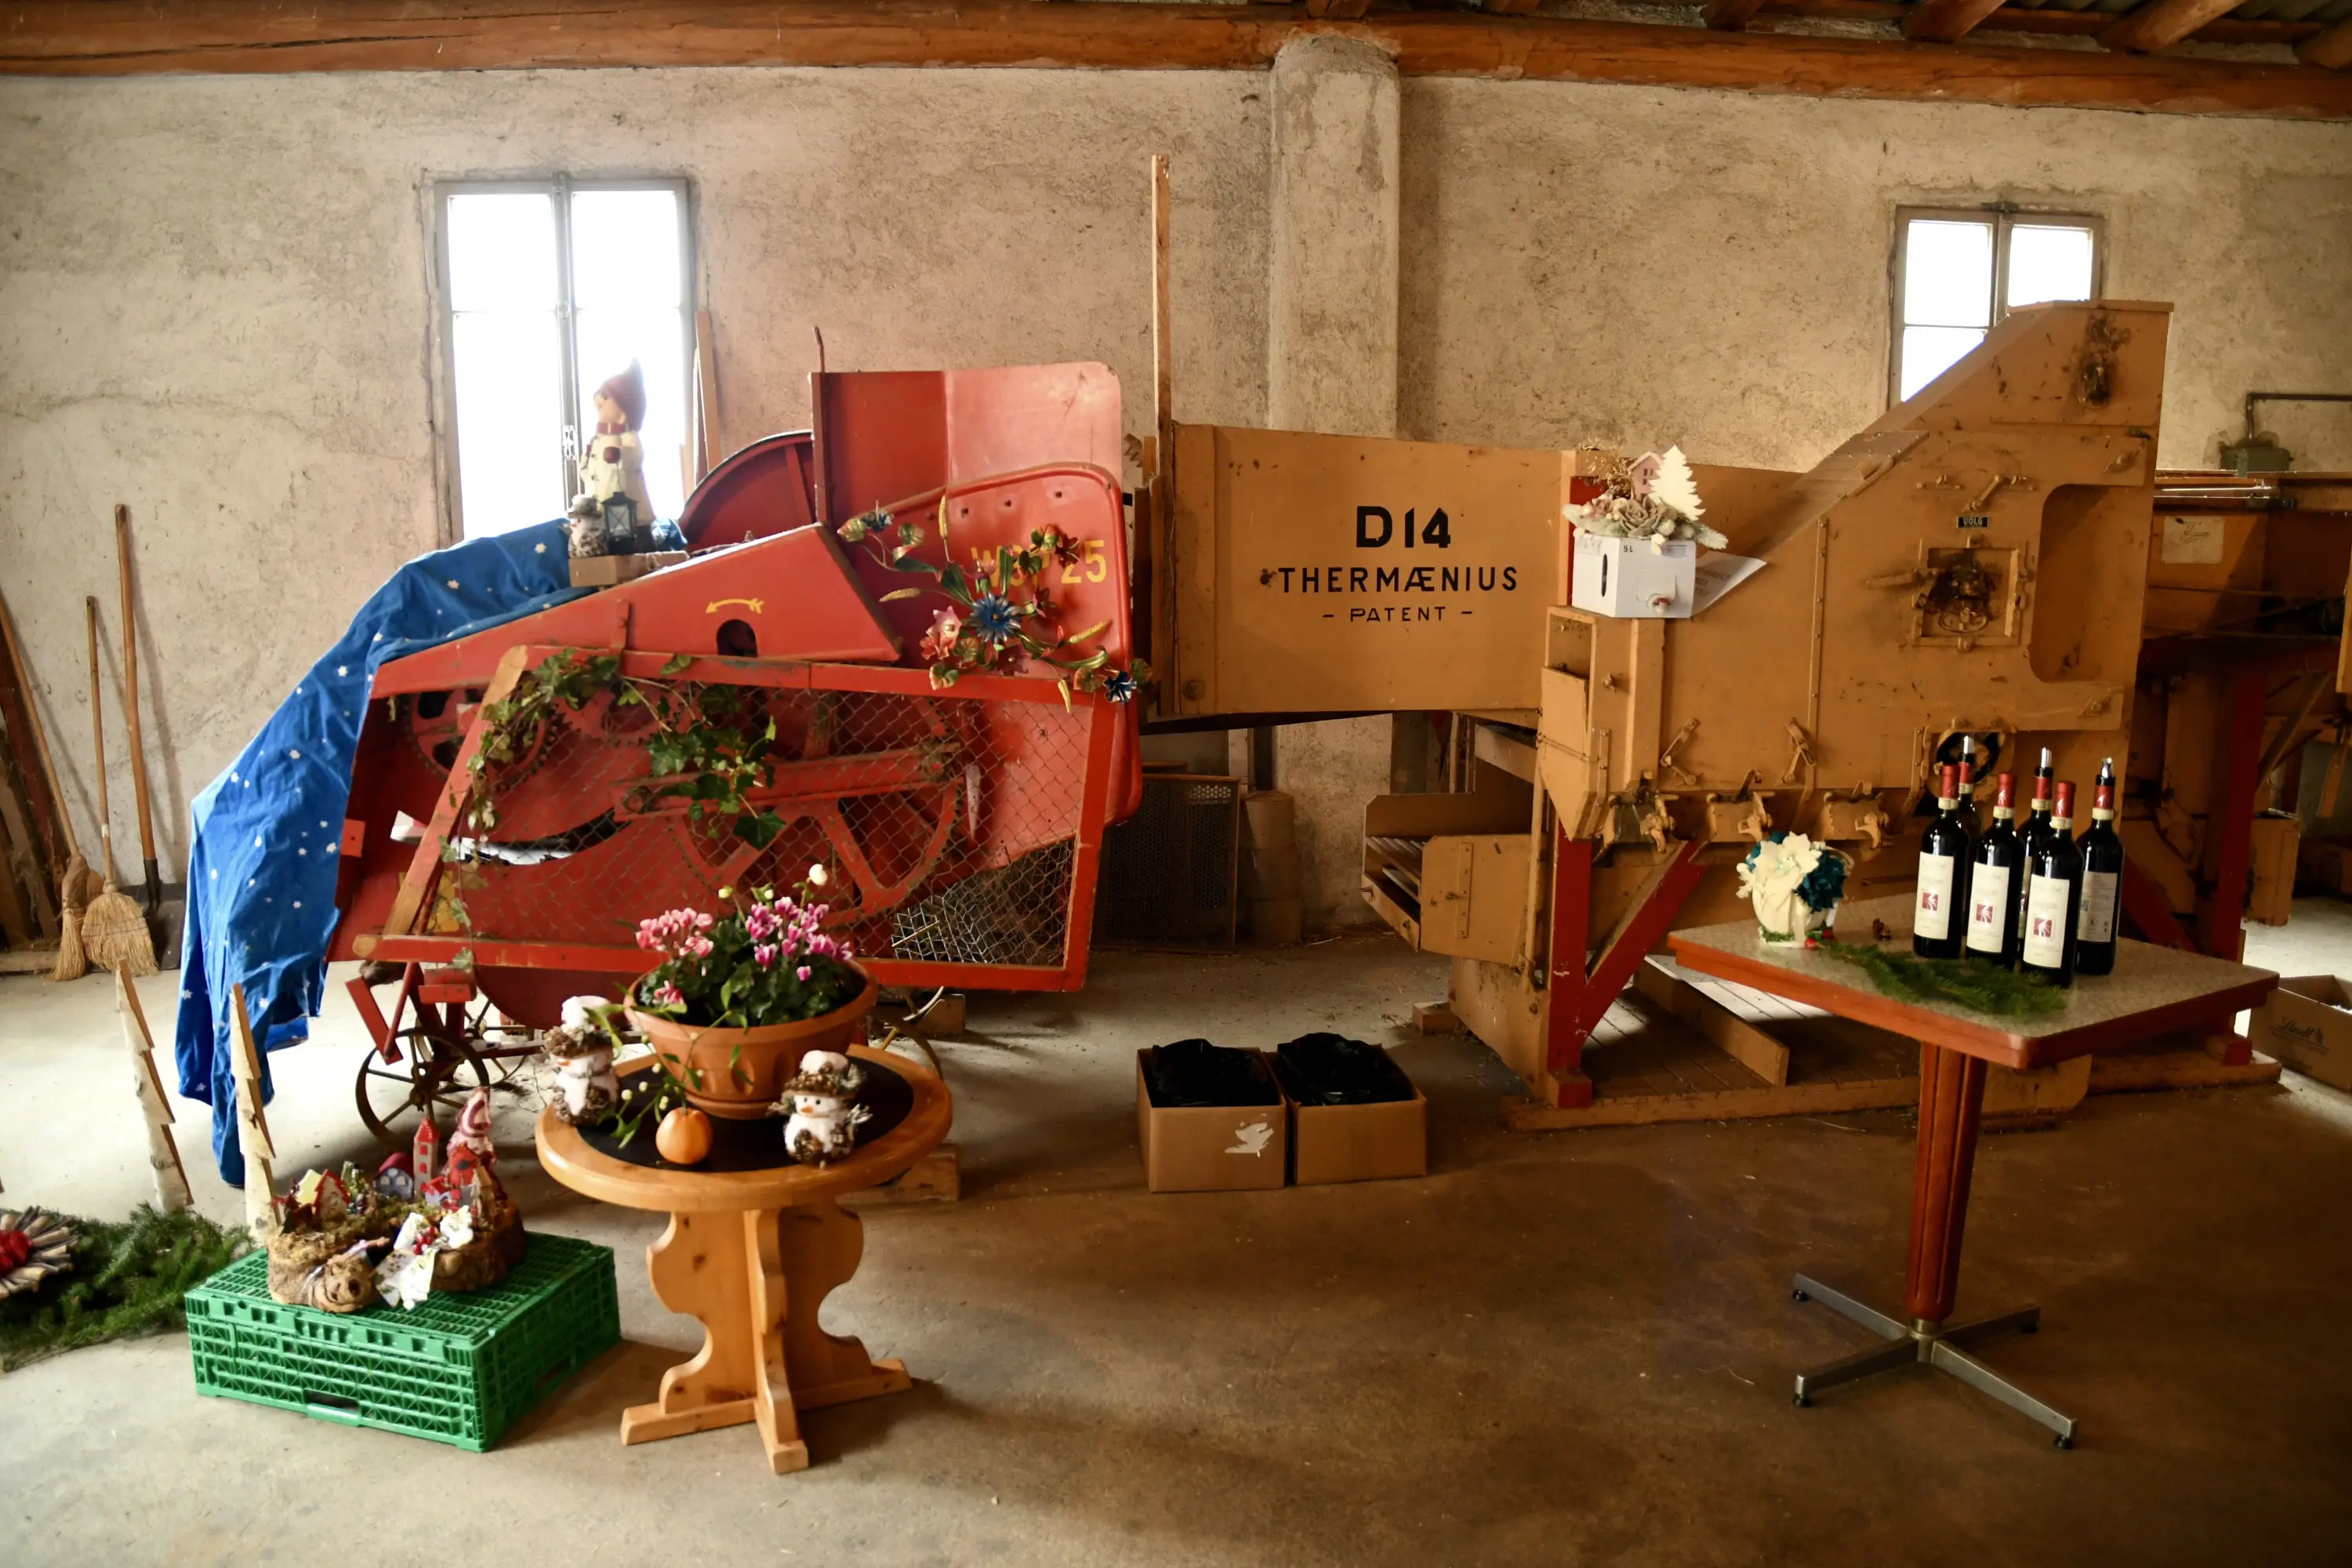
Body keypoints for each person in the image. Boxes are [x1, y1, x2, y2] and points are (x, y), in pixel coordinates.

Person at [578, 360, 654, 518]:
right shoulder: (597, 440)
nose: (597, 402)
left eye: (605, 397)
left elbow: (634, 457)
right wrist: (586, 462)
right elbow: (590, 474)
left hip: (632, 517)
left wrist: (619, 454)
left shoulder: (628, 437)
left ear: (624, 411)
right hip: (601, 513)